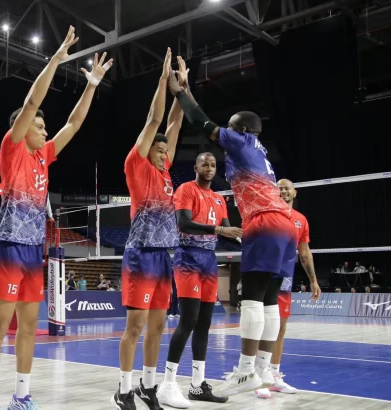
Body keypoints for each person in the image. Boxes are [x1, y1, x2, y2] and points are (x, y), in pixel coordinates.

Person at [0, 26, 111, 410]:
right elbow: (32, 100)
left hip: (32, 251)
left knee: (28, 330)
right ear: (21, 127)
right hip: (7, 247)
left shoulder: (43, 156)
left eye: (42, 126)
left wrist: (91, 86)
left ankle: (22, 394)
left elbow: (73, 124)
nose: (44, 129)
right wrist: (56, 59)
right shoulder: (13, 147)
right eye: (38, 125)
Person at [168, 71, 295, 397]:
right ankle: (264, 368)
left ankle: (245, 370)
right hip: (285, 225)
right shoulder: (262, 153)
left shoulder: (240, 139)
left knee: (251, 299)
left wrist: (181, 92)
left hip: (264, 222)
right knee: (269, 303)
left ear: (240, 128)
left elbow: (201, 121)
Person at [111, 48, 180, 410]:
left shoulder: (166, 173)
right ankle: (122, 390)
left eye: (166, 150)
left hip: (163, 258)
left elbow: (173, 121)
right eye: (158, 147)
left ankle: (147, 386)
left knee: (158, 328)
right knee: (135, 328)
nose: (163, 151)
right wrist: (162, 81)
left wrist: (181, 91)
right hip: (139, 256)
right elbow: (156, 119)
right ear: (146, 148)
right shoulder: (136, 166)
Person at [156, 151, 241, 407]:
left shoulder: (218, 198)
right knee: (189, 319)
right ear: (196, 166)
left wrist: (248, 235)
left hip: (209, 260)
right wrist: (219, 229)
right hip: (188, 258)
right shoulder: (186, 190)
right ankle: (167, 384)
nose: (209, 167)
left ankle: (197, 385)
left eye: (213, 164)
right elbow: (183, 223)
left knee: (205, 323)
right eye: (205, 163)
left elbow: (228, 231)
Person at [255, 179, 320, 396]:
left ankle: (273, 376)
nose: (283, 190)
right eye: (279, 188)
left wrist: (313, 280)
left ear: (294, 192)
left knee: (280, 328)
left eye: (286, 187)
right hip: (265, 275)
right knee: (262, 326)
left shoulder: (301, 220)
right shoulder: (267, 214)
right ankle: (257, 378)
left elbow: (304, 252)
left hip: (285, 278)